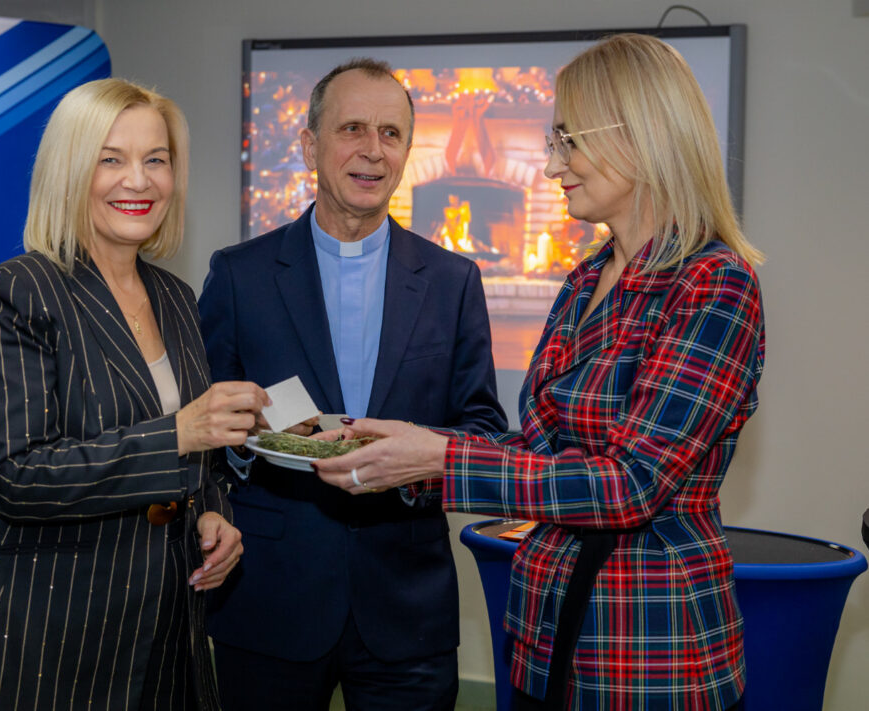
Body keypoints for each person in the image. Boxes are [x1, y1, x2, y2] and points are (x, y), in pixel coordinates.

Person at [314, 34, 765, 711]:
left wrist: (439, 458)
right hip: (545, 634)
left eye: (568, 142)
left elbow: (633, 485)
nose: (554, 165)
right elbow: (541, 447)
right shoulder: (586, 279)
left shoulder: (715, 284)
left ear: (638, 136)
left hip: (649, 653)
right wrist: (408, 447)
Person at [0, 78, 269, 711]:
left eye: (156, 160)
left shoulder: (174, 296)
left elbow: (196, 460)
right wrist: (179, 433)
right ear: (69, 171)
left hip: (167, 631)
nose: (138, 181)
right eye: (110, 159)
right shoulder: (21, 290)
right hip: (50, 638)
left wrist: (212, 512)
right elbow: (17, 476)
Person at [197, 58, 507, 711]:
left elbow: (483, 428)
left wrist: (411, 459)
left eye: (391, 133)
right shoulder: (239, 276)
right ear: (310, 146)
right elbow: (204, 428)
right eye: (353, 129)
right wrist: (247, 444)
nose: (373, 150)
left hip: (407, 606)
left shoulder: (453, 282)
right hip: (270, 599)